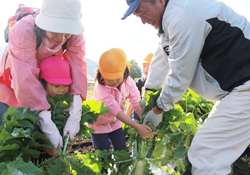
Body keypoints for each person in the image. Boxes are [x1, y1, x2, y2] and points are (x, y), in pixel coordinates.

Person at [122, 0, 250, 174]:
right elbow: (162, 56)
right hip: (237, 89)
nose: (143, 21)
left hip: (245, 87)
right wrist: (149, 91)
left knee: (206, 153)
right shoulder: (170, 19)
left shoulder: (181, 16)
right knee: (206, 149)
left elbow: (181, 74)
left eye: (143, 12)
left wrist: (159, 109)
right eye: (138, 16)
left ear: (159, 1)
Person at [0, 0, 87, 158]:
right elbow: (25, 80)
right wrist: (47, 125)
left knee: (42, 144)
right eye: (56, 32)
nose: (61, 38)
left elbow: (78, 70)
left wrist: (75, 113)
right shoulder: (23, 30)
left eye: (66, 33)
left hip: (44, 86)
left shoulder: (75, 35)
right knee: (11, 139)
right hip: (11, 88)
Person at [89, 48, 152, 157]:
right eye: (109, 79)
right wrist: (137, 126)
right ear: (101, 74)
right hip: (98, 126)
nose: (113, 82)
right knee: (104, 157)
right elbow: (115, 110)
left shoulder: (129, 82)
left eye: (117, 78)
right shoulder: (100, 87)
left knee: (122, 153)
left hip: (116, 124)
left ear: (124, 72)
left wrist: (145, 122)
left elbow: (136, 103)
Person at [126, 53, 153, 122]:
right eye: (144, 66)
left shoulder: (158, 83)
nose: (146, 69)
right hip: (137, 118)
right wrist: (126, 117)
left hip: (152, 118)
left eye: (149, 66)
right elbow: (133, 101)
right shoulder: (139, 82)